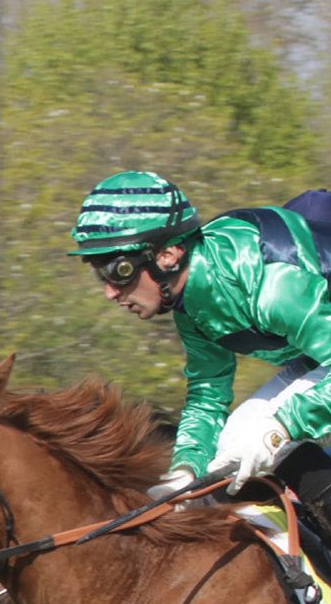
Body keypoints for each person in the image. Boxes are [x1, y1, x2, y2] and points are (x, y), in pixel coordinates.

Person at [68, 170, 331, 524]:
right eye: (101, 274)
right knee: (233, 448)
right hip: (318, 352)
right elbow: (208, 394)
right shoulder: (190, 305)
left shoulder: (272, 285)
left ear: (169, 254)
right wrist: (185, 471)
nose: (111, 291)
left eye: (120, 270)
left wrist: (284, 425)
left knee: (268, 437)